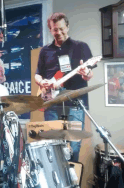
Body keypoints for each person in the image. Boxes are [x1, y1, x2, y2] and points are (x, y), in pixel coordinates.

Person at [35, 12, 94, 162]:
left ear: (67, 27)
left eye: (62, 29)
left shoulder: (81, 47)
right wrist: (42, 82)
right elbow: (37, 75)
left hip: (74, 104)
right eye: (55, 29)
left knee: (73, 146)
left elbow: (89, 75)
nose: (59, 32)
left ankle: (72, 180)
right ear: (50, 30)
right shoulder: (45, 51)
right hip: (51, 103)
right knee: (52, 144)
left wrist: (85, 72)